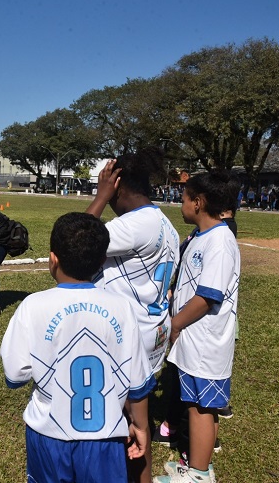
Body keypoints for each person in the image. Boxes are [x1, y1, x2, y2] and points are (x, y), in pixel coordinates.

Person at [0, 212, 155, 483]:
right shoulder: (123, 308)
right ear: (102, 261)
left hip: (48, 437)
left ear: (53, 259)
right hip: (106, 438)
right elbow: (137, 382)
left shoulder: (32, 306)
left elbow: (15, 375)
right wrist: (141, 426)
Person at [85, 147, 180, 483]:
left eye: (107, 185)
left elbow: (76, 241)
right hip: (151, 330)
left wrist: (100, 196)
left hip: (128, 337)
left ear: (118, 185)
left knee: (124, 425)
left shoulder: (134, 225)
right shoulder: (164, 223)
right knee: (138, 420)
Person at [152, 171, 241, 483]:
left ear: (198, 203)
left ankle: (199, 475)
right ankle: (200, 465)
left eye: (184, 199)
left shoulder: (220, 241)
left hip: (205, 340)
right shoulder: (201, 236)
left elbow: (207, 297)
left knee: (202, 408)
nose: (181, 204)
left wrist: (175, 324)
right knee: (196, 403)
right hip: (194, 338)